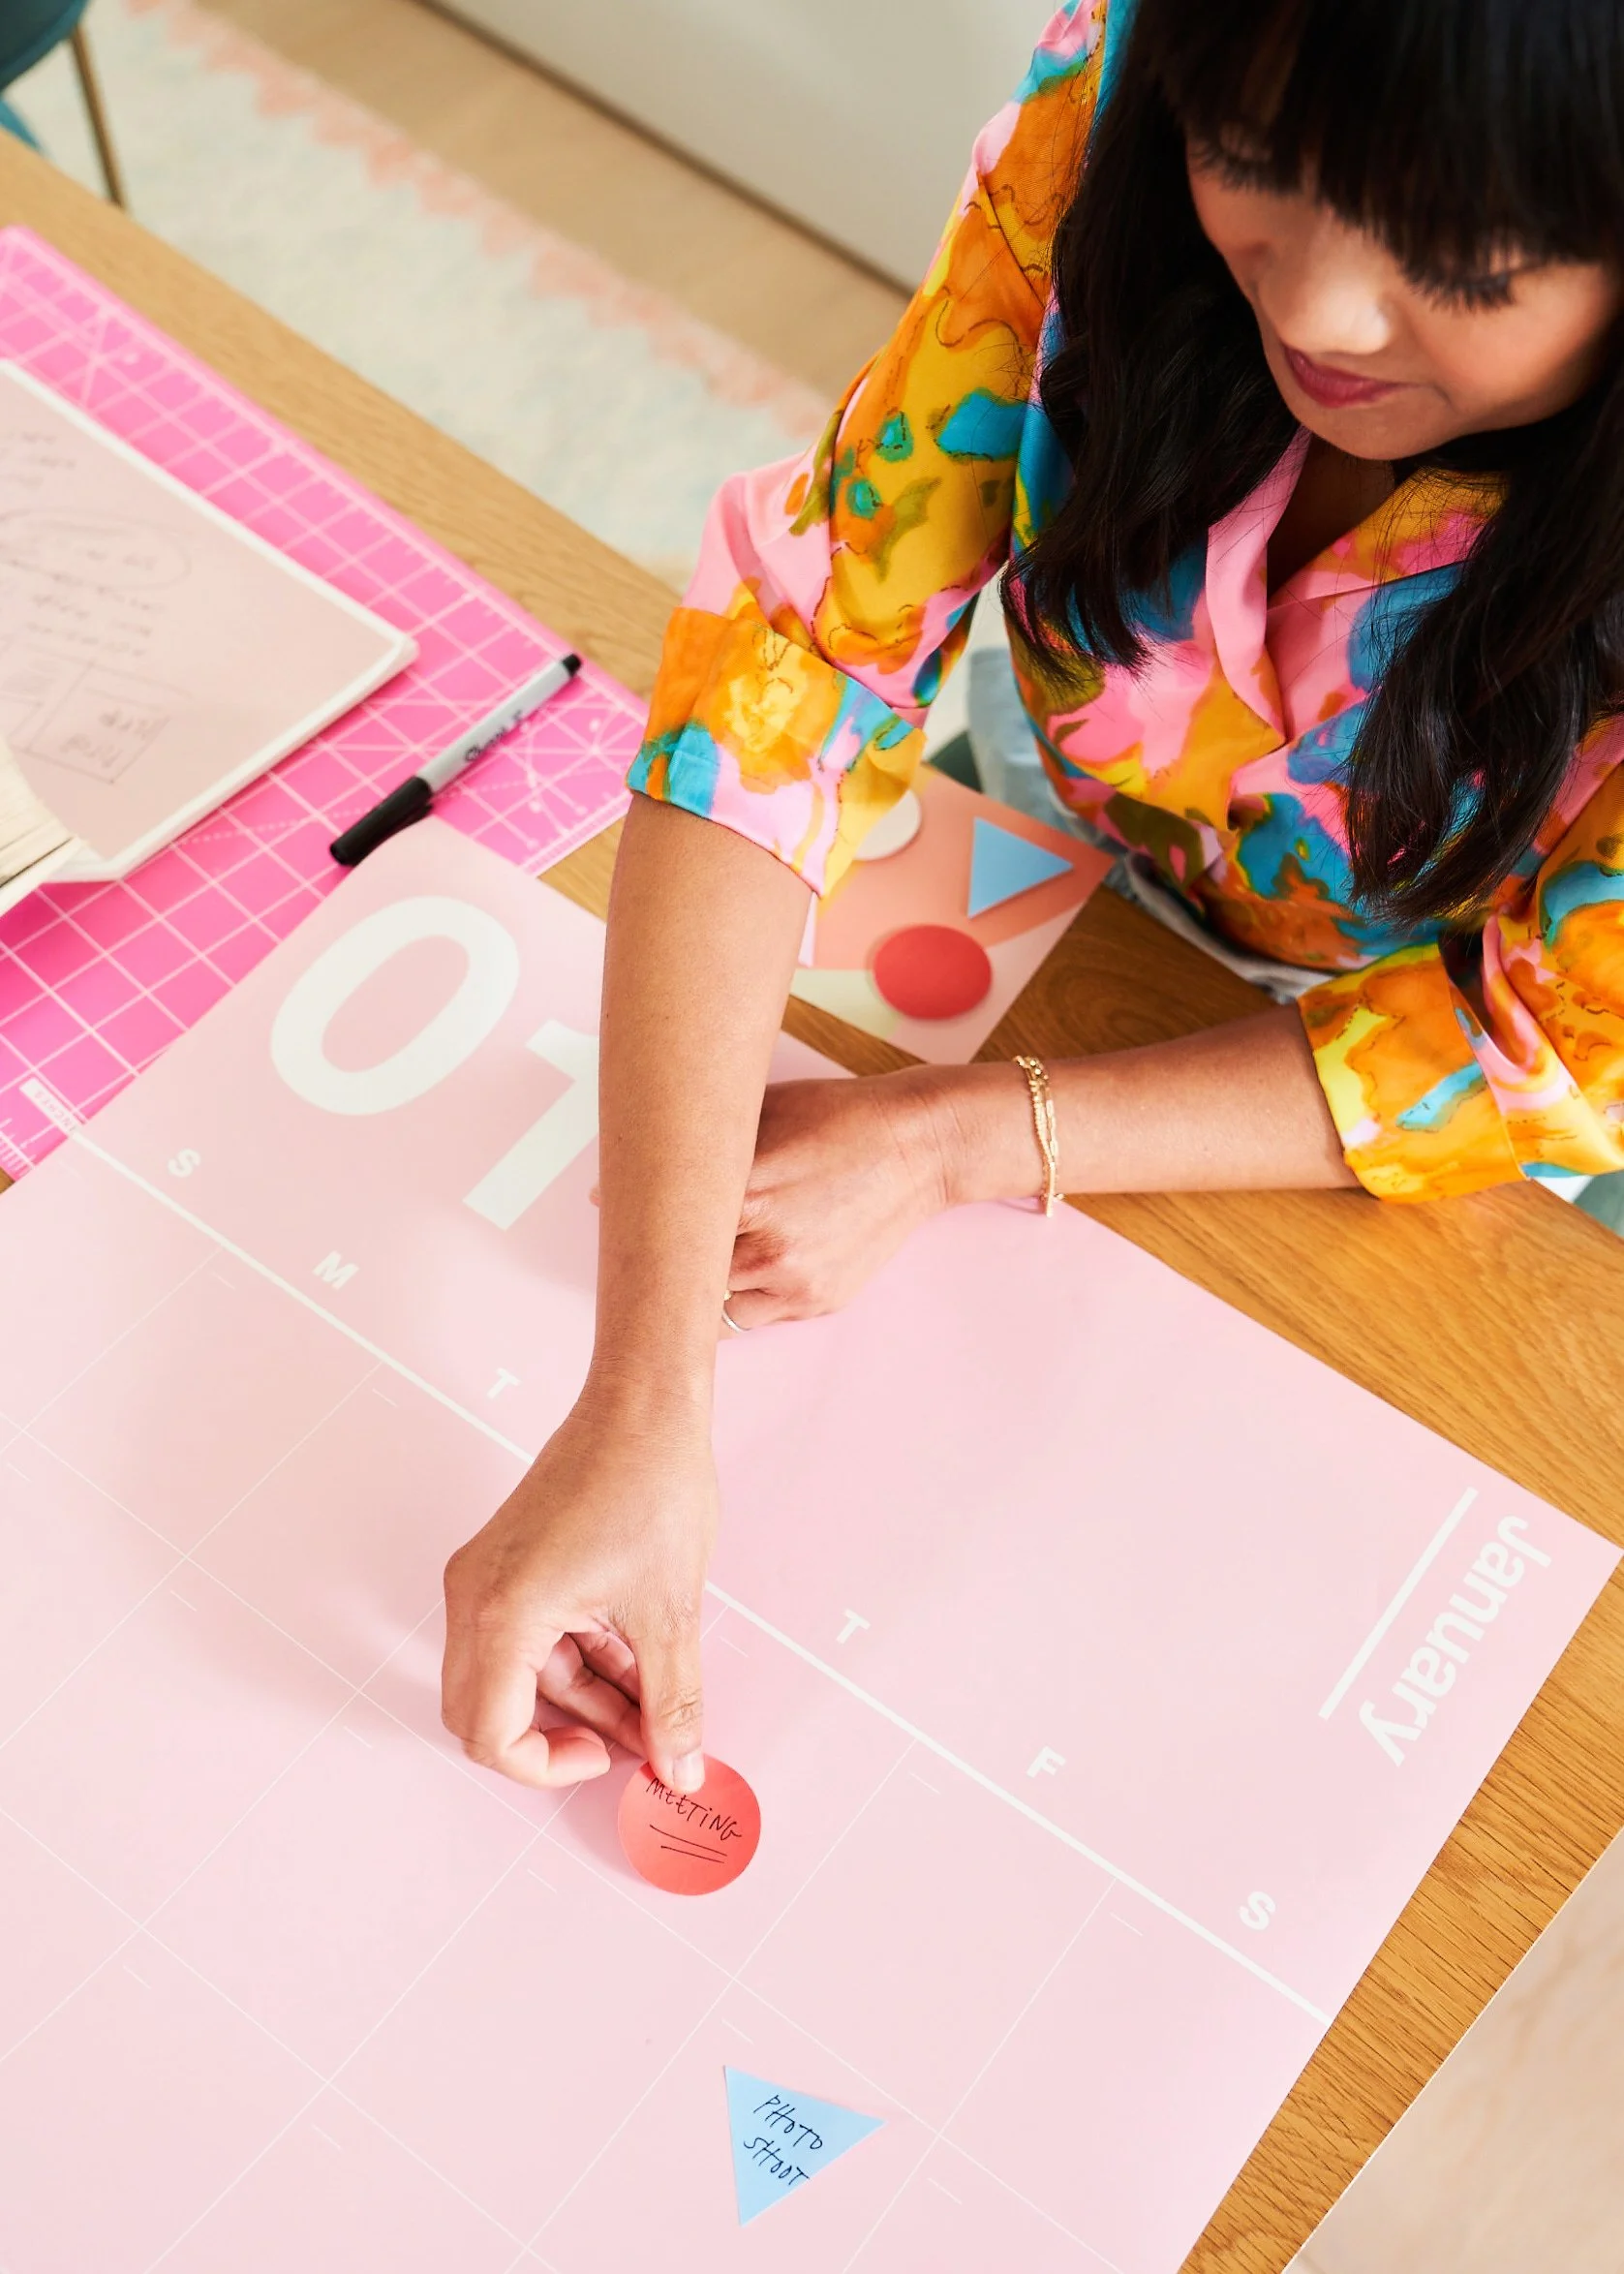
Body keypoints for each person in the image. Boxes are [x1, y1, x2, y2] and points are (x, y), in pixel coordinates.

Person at [441, 0, 1624, 1794]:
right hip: (1087, 858)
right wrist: (638, 1396)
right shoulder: (1110, 105)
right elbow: (799, 666)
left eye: (1460, 257)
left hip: (1463, 1085)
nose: (1308, 309)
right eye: (1258, 163)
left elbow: (1538, 1048)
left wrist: (956, 1138)